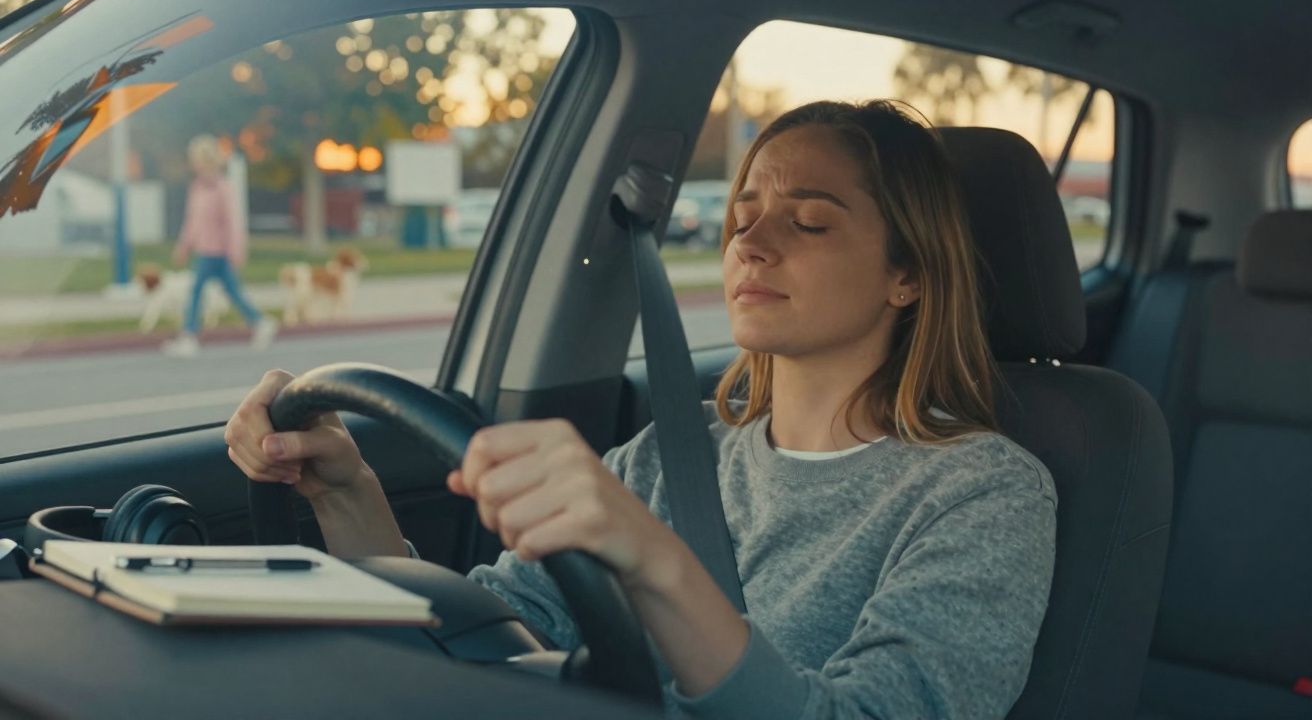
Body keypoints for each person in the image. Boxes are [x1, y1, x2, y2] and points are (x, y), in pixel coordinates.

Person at [225, 100, 1056, 719]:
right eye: (742, 216)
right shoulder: (674, 454)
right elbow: (492, 632)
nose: (750, 243)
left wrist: (655, 562)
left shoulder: (985, 495)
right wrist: (345, 492)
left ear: (907, 275)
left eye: (807, 221)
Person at [162, 134, 277, 357]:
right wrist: (184, 246)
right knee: (231, 292)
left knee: (196, 292)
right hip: (204, 250)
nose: (194, 163)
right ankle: (260, 322)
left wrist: (236, 250)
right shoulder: (197, 188)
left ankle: (189, 337)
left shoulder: (223, 188)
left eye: (197, 159)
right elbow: (192, 220)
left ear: (208, 160)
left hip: (218, 252)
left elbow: (233, 222)